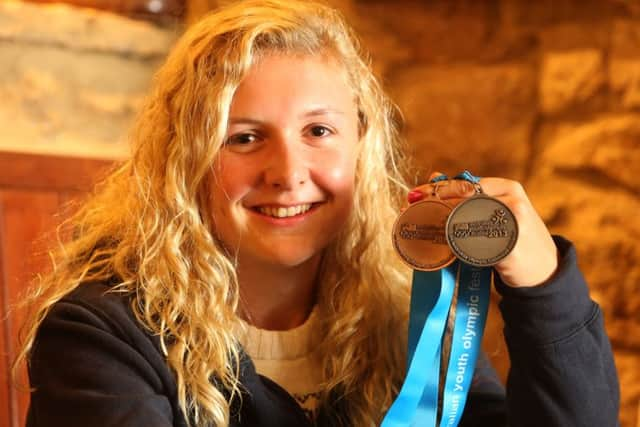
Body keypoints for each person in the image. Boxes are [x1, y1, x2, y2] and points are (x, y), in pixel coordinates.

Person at [16, 1, 620, 426]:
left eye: (319, 130)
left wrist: (544, 288)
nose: (287, 171)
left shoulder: (403, 321)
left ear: (362, 143)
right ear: (185, 159)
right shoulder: (102, 334)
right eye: (245, 137)